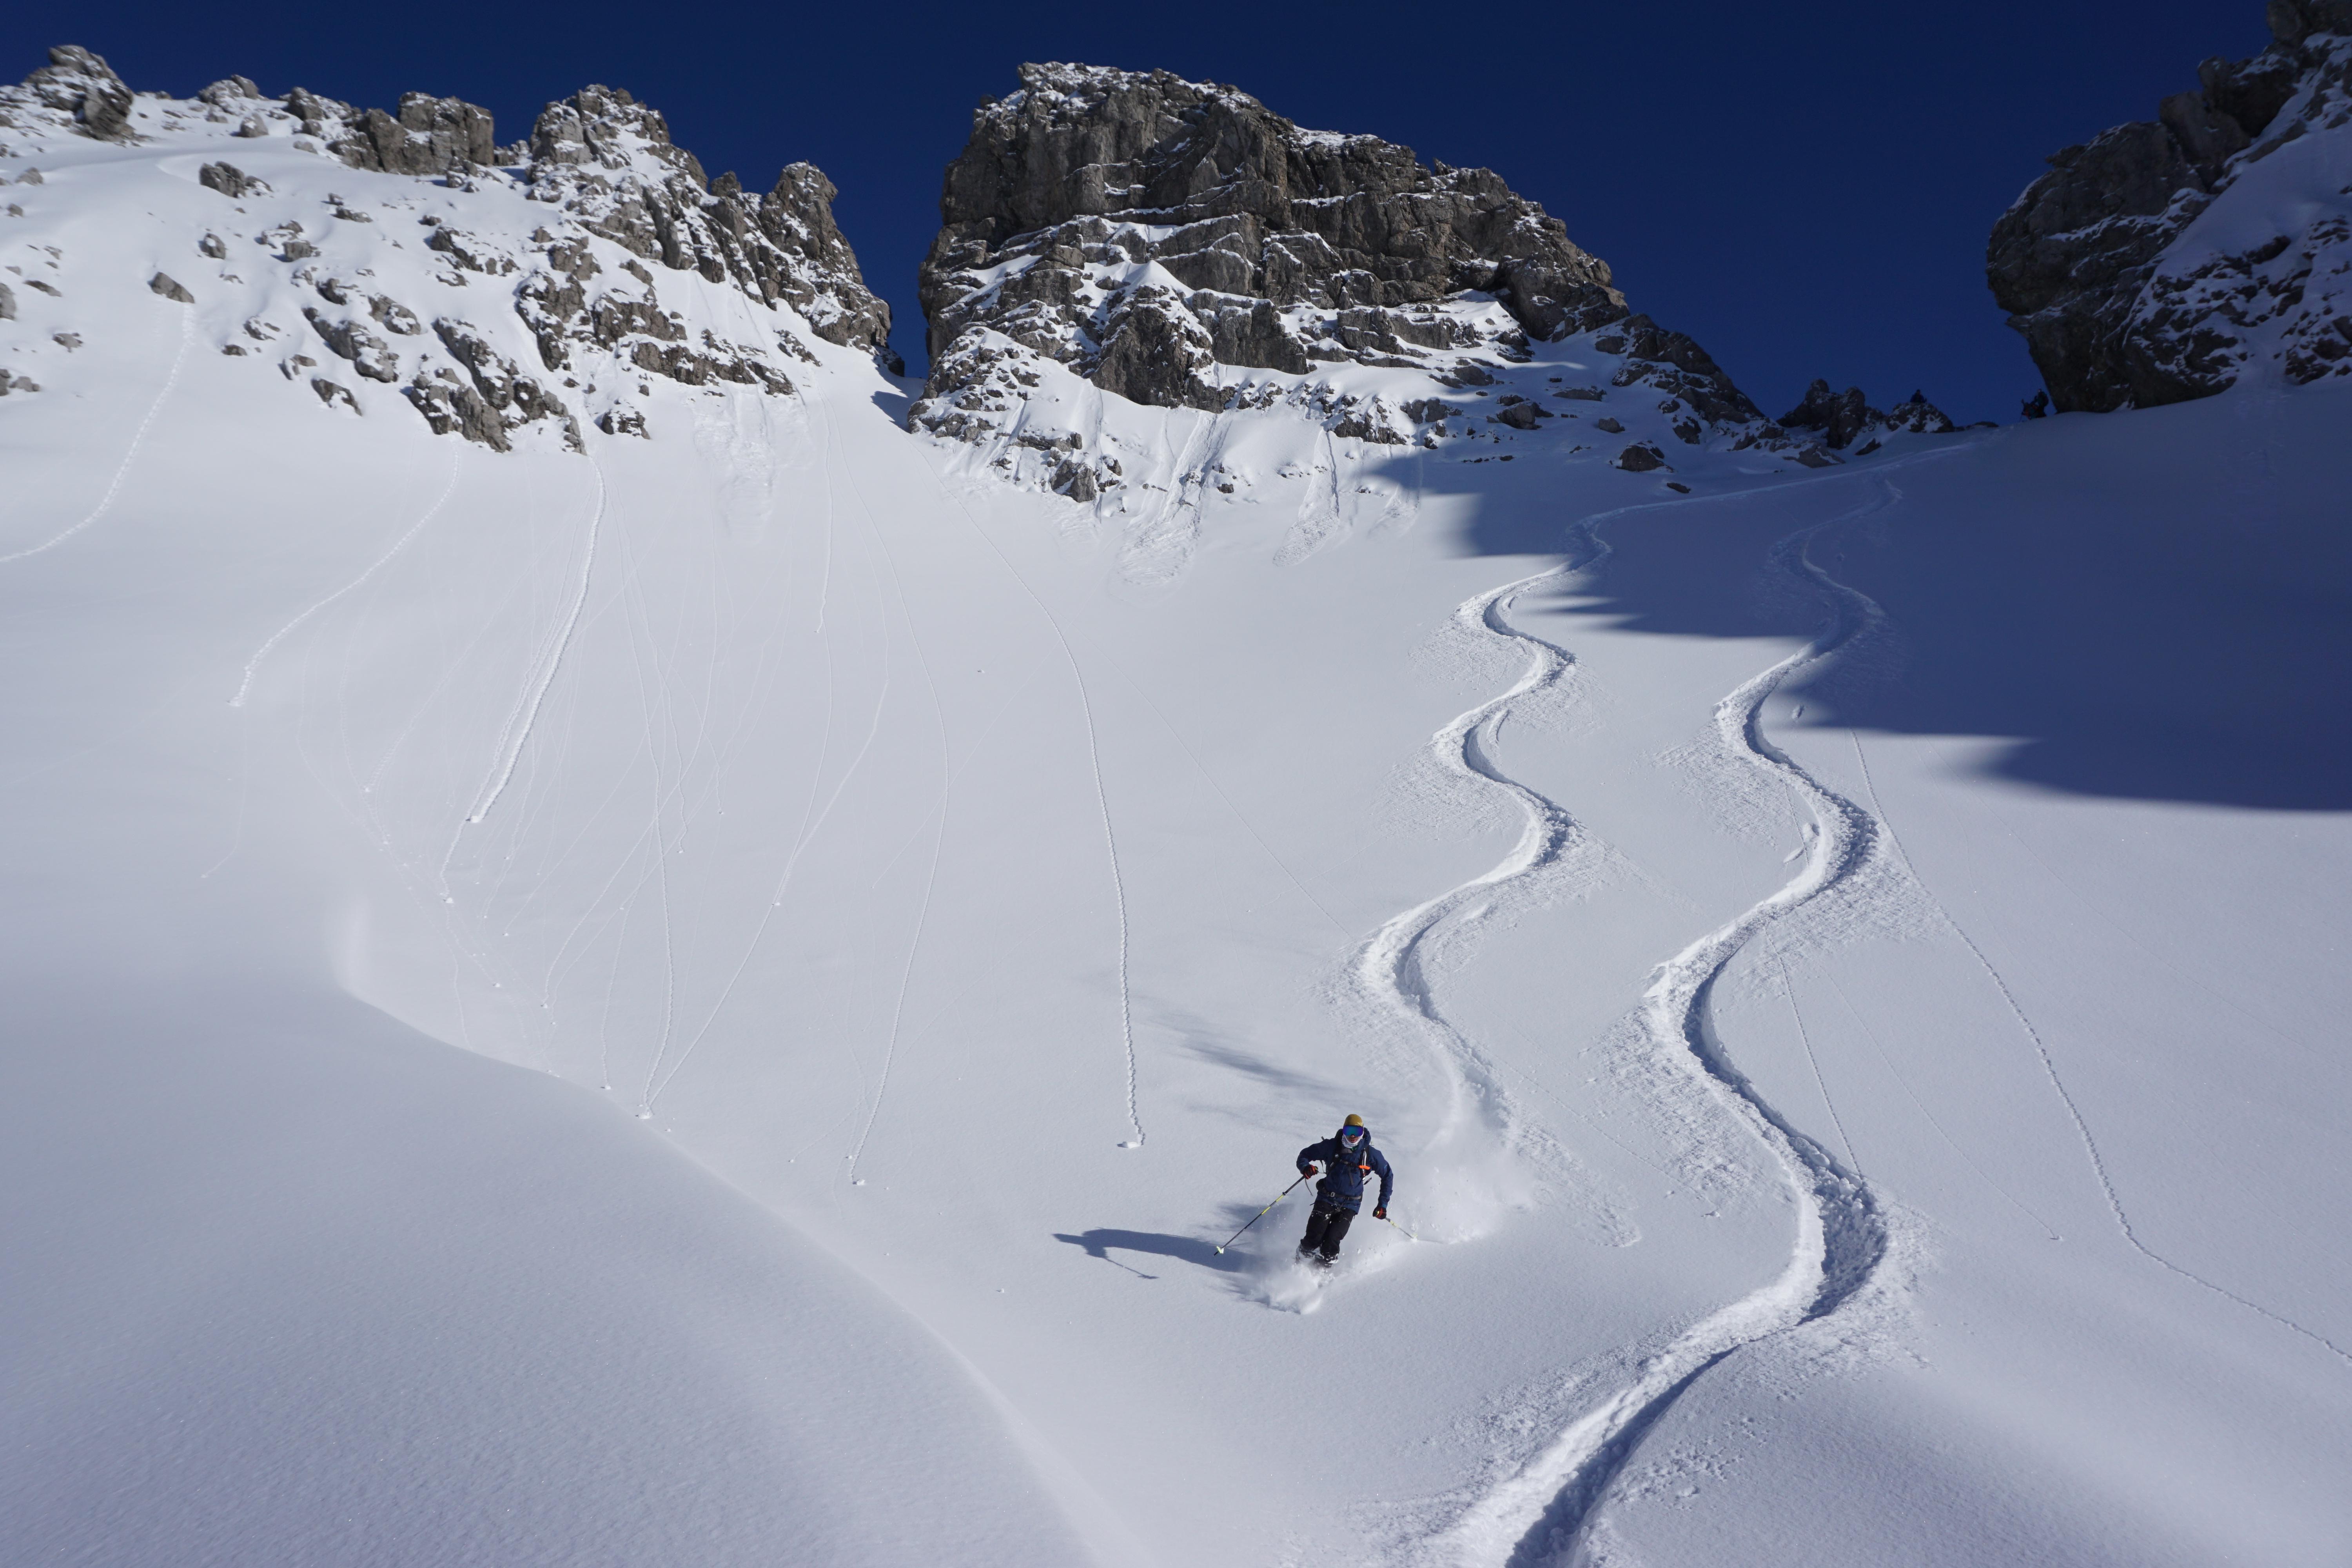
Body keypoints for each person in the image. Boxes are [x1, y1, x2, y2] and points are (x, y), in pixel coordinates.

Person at [1295, 1114, 1394, 1268]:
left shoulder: (1371, 1155)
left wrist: (1383, 1205)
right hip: (1327, 1198)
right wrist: (1305, 1167)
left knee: (1332, 1242)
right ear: (1344, 1130)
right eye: (1349, 1131)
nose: (1353, 1136)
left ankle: (1319, 1275)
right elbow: (1305, 1155)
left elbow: (1388, 1175)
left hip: (1351, 1204)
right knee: (1313, 1238)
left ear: (1362, 1131)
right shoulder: (1331, 1146)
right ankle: (1298, 1267)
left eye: (1357, 1131)